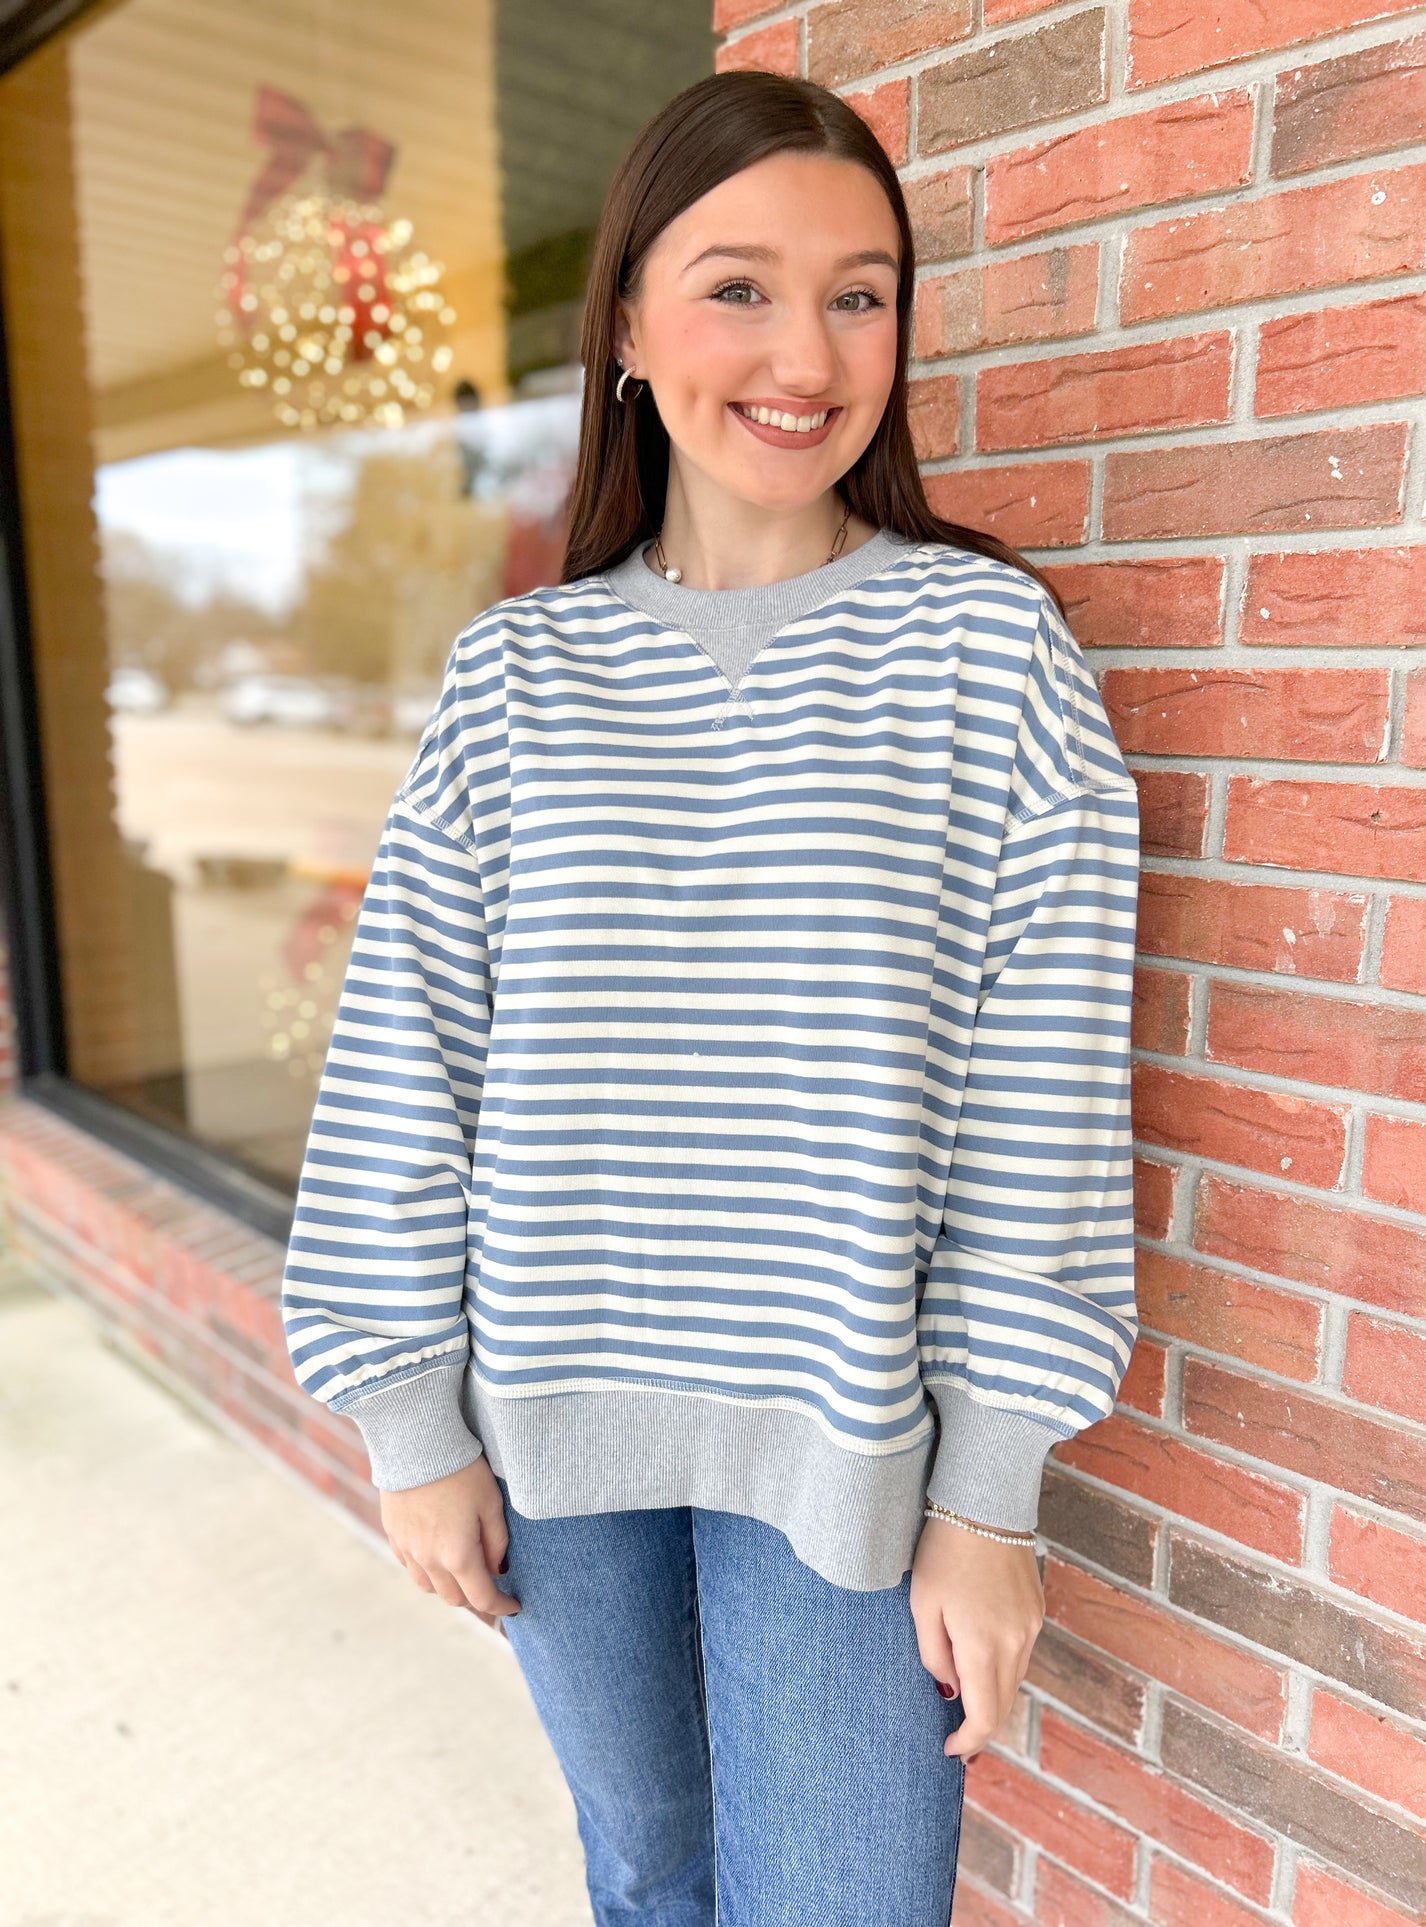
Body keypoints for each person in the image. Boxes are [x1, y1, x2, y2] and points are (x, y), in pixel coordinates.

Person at [279, 68, 1141, 1927]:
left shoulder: (985, 654)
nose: (806, 352)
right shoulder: (519, 676)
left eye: (859, 292)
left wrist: (989, 1498)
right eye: (737, 285)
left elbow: (1040, 1108)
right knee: (652, 1878)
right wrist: (407, 1425)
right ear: (625, 326)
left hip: (846, 1444)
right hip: (549, 1431)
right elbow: (405, 1063)